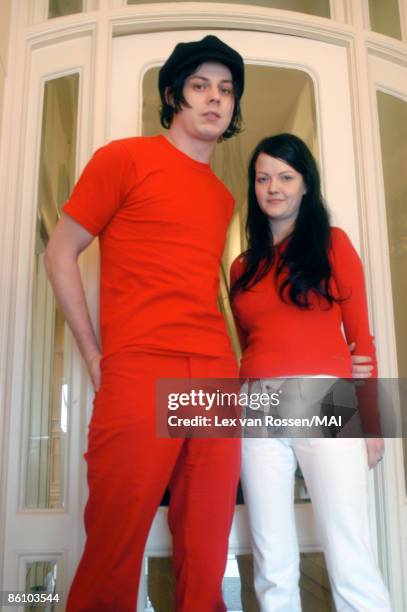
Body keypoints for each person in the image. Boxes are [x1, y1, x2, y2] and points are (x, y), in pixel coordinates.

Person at [45, 35, 245, 612]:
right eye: (200, 86)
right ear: (172, 95)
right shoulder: (123, 158)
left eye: (227, 90)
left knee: (207, 556)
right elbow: (59, 253)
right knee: (113, 551)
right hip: (139, 372)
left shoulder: (223, 197)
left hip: (213, 376)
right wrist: (92, 355)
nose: (215, 99)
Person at [230, 133, 392, 611]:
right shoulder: (242, 267)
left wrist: (372, 423)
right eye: (263, 178)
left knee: (349, 553)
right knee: (271, 560)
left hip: (325, 399)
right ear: (254, 187)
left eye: (286, 176)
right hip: (257, 406)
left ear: (305, 185)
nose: (273, 187)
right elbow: (249, 346)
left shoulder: (332, 244)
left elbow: (362, 340)